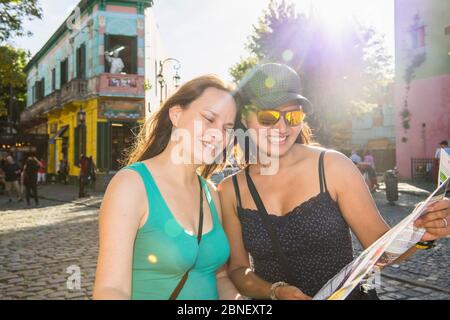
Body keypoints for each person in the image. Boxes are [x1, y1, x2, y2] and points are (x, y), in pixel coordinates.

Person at [217, 63, 450, 300]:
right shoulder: (230, 190)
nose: (282, 127)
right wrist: (274, 292)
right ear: (244, 119)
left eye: (293, 116)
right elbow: (237, 269)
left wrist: (419, 232)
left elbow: (381, 252)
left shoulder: (332, 167)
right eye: (268, 117)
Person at [93, 75, 240, 300]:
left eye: (228, 128)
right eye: (209, 119)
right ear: (176, 114)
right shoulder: (131, 185)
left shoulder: (210, 192)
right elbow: (111, 290)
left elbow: (218, 277)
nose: (218, 135)